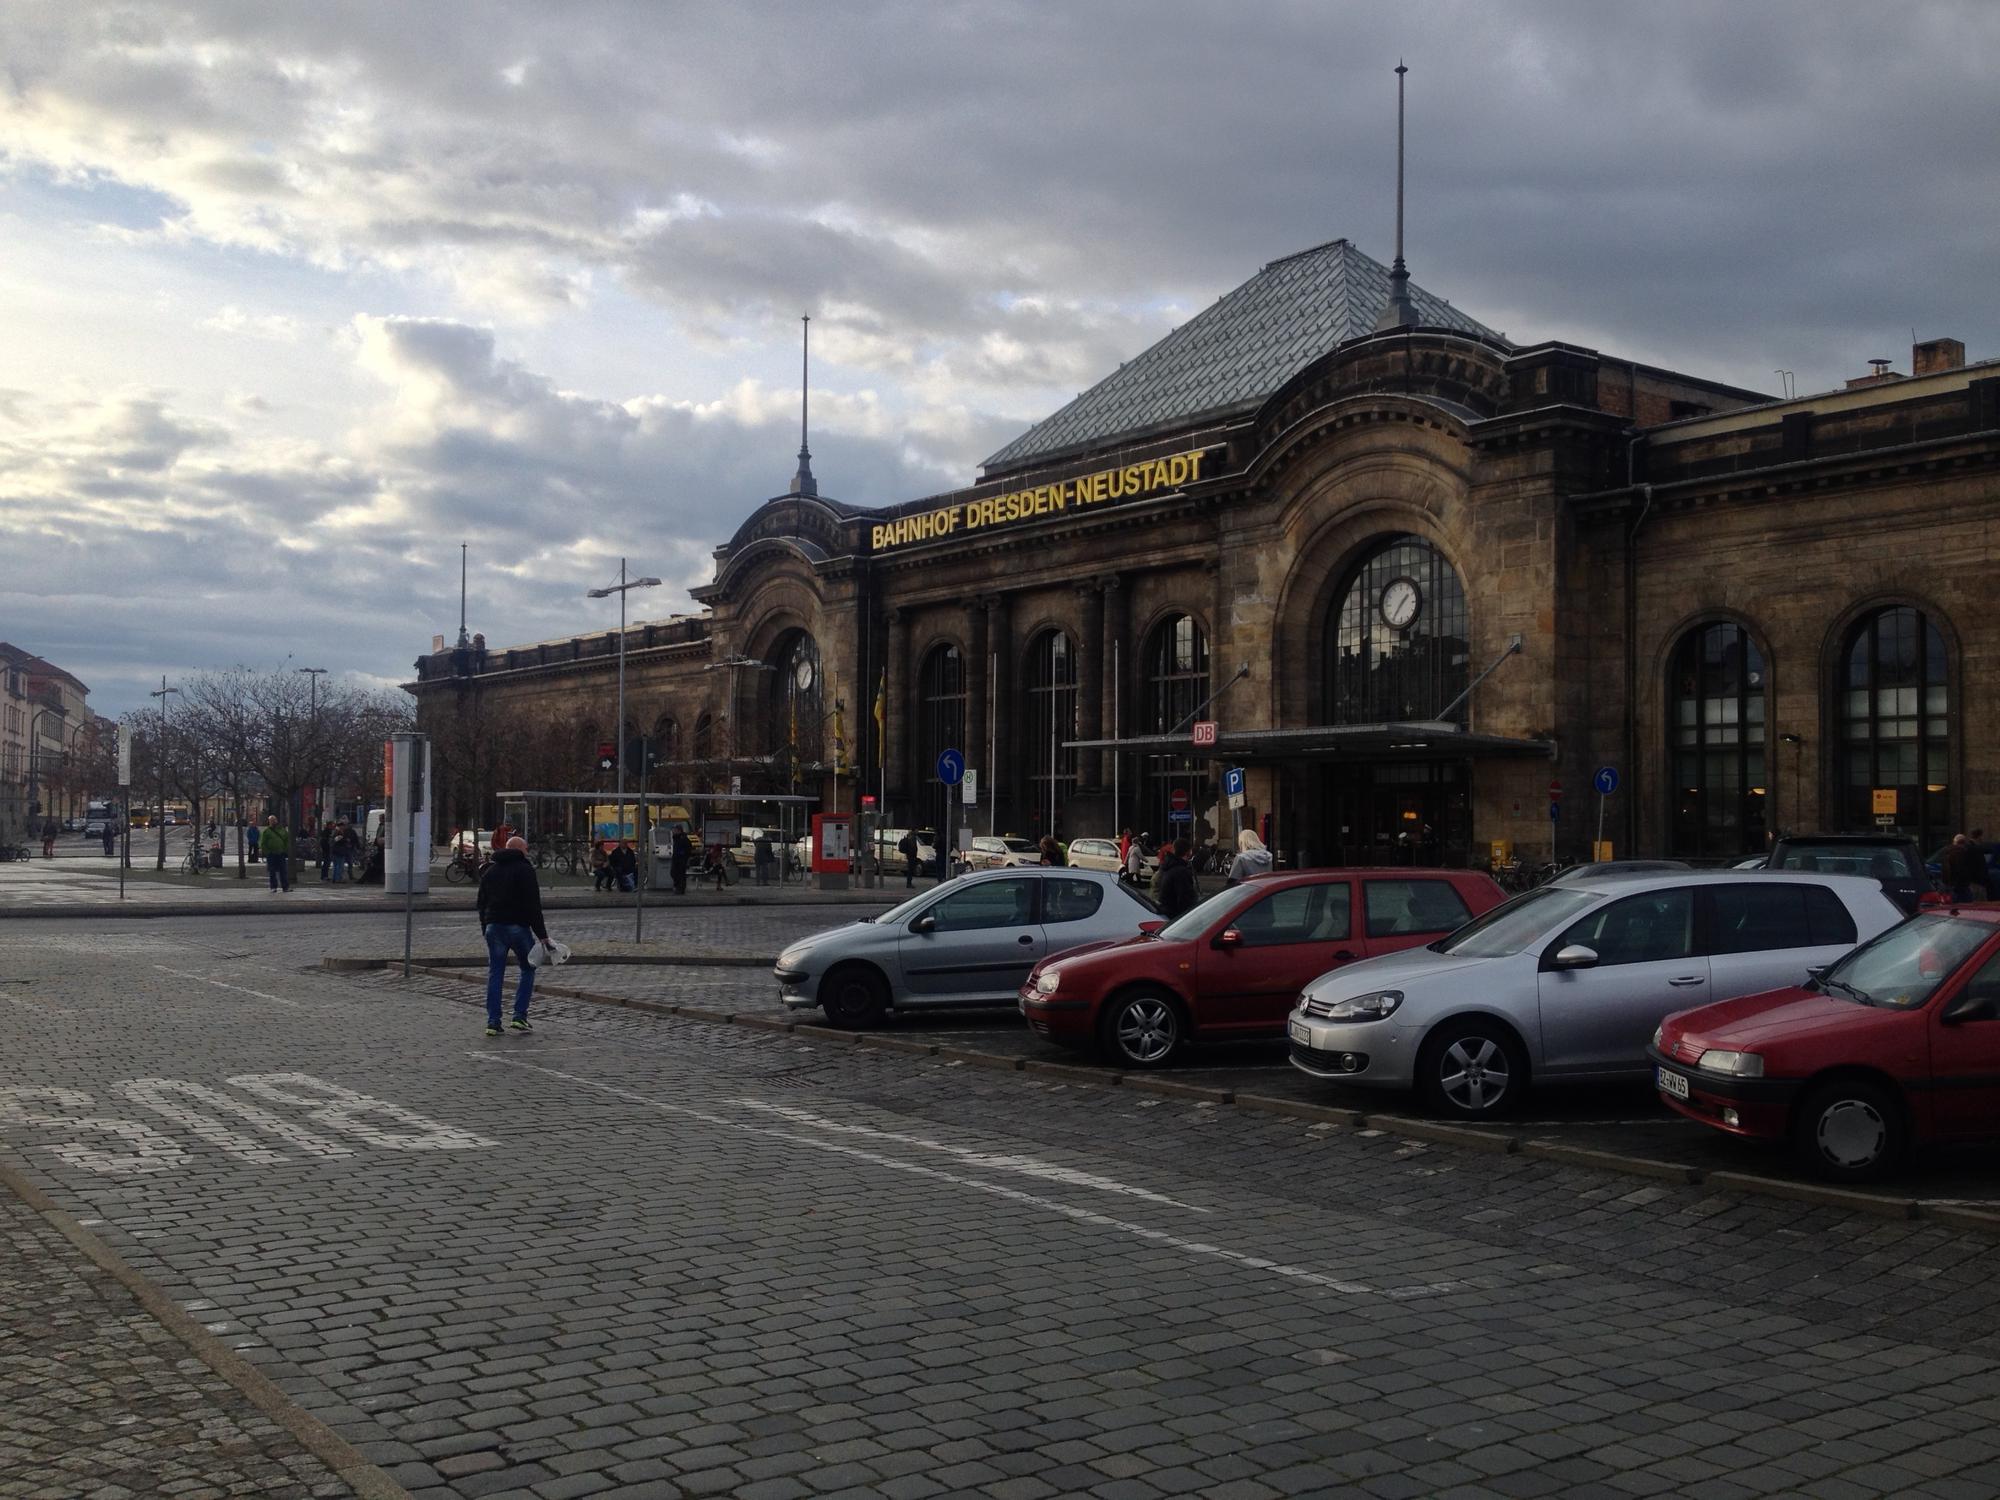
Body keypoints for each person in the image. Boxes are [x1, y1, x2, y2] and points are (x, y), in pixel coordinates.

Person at [476, 834, 552, 1035]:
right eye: (526, 849)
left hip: (494, 927)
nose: (527, 852)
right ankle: (519, 1016)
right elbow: (533, 905)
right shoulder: (525, 870)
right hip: (518, 927)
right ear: (520, 850)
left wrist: (486, 926)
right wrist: (542, 935)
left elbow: (481, 903)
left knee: (495, 972)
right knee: (528, 968)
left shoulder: (490, 871)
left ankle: (493, 1021)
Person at [1152, 836, 1197, 919]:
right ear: (1189, 852)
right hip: (1175, 917)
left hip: (1166, 913)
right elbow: (1185, 900)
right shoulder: (1181, 871)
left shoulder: (1169, 867)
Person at [1942, 833, 1986, 904]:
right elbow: (1967, 870)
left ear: (1954, 842)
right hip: (1963, 886)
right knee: (1967, 907)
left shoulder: (1947, 852)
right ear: (1964, 842)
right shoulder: (1964, 852)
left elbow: (1945, 870)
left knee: (1952, 908)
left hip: (1950, 886)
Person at [261, 815, 291, 892]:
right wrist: (267, 852)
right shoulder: (267, 831)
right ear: (269, 822)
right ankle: (273, 887)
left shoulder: (282, 830)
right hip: (271, 854)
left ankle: (285, 887)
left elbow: (286, 840)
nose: (273, 821)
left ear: (277, 820)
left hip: (281, 853)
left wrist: (285, 850)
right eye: (271, 820)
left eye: (274, 820)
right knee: (272, 871)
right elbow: (263, 843)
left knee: (283, 870)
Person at [670, 828, 692, 895]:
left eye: (674, 830)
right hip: (676, 858)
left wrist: (684, 855)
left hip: (681, 859)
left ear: (679, 831)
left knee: (680, 874)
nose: (673, 831)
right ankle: (677, 887)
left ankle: (680, 888)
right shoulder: (675, 838)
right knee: (673, 873)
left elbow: (688, 849)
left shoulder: (684, 839)